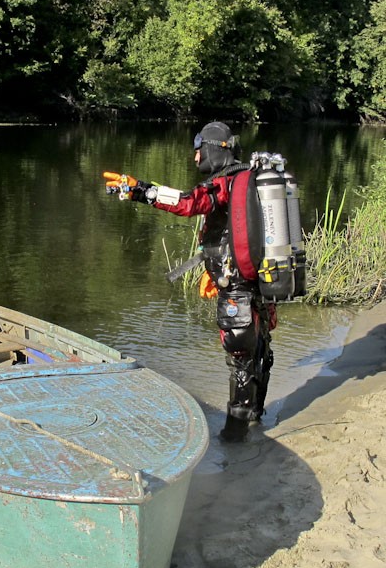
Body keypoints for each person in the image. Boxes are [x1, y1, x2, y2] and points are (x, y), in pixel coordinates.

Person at [105, 122, 276, 443]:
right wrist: (217, 272)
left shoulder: (225, 182)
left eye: (200, 147)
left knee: (240, 361)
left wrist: (139, 189)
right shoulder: (249, 179)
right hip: (257, 285)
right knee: (258, 352)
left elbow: (187, 203)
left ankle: (235, 441)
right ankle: (256, 422)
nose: (195, 154)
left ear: (215, 148)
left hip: (238, 289)